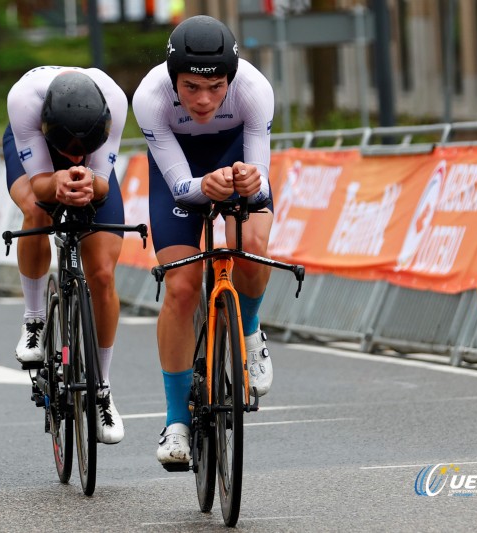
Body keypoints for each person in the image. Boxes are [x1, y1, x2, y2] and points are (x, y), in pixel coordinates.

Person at [132, 15, 275, 467]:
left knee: (251, 249)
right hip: (180, 172)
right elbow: (179, 187)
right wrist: (203, 187)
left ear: (231, 79)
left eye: (216, 88)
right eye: (191, 87)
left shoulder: (254, 89)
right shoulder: (150, 97)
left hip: (233, 159)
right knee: (180, 287)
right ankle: (176, 421)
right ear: (174, 78)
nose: (204, 99)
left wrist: (251, 182)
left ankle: (249, 331)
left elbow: (263, 182)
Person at [4, 67, 128, 444]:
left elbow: (103, 184)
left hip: (95, 161)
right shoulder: (24, 100)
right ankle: (34, 319)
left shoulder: (115, 101)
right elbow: (40, 183)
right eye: (69, 152)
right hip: (37, 154)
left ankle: (102, 388)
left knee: (103, 275)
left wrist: (90, 180)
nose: (75, 157)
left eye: (82, 150)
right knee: (37, 211)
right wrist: (55, 181)